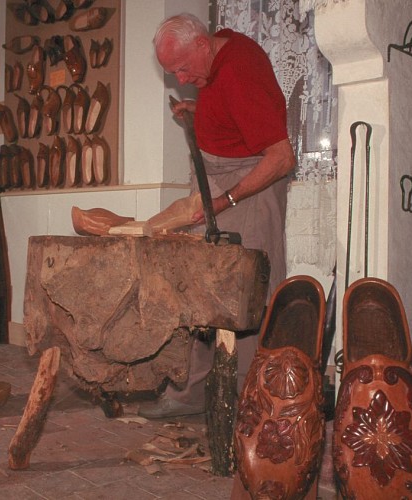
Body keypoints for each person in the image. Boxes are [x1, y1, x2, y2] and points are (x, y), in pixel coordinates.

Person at [138, 13, 296, 419]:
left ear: (202, 45)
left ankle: (246, 397)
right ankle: (194, 392)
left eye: (183, 68)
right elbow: (226, 99)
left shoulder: (241, 70)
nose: (182, 78)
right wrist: (202, 111)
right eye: (173, 72)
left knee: (244, 293)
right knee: (201, 288)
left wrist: (226, 200)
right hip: (219, 177)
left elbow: (280, 158)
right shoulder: (218, 50)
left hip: (249, 188)